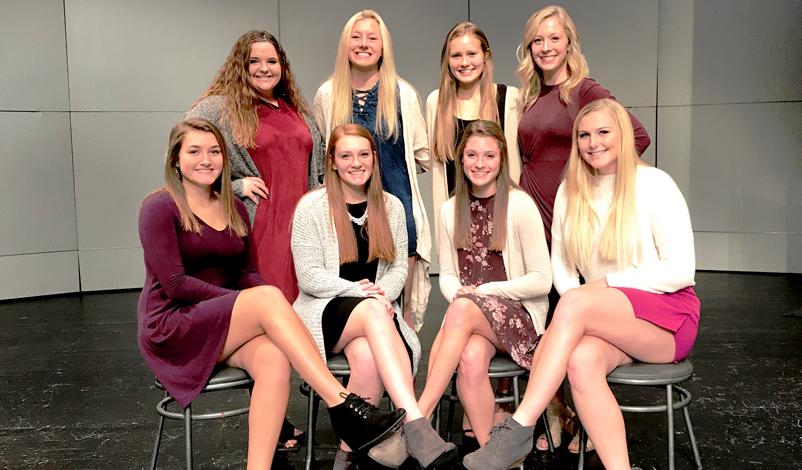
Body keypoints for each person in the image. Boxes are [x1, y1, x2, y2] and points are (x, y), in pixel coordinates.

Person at [137, 118, 405, 469]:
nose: (207, 159)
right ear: (175, 159)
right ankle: (341, 404)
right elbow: (175, 284)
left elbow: (247, 273)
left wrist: (259, 303)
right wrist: (247, 303)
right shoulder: (160, 207)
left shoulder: (232, 206)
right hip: (173, 324)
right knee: (265, 298)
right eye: (195, 151)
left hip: (220, 322)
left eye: (215, 151)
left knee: (274, 360)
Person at [462, 99, 700, 470]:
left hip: (666, 318)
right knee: (580, 360)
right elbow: (562, 264)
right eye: (584, 135)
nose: (593, 142)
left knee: (572, 303)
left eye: (603, 132)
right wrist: (585, 296)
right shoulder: (572, 190)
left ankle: (518, 427)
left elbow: (681, 271)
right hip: (604, 316)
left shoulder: (655, 184)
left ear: (623, 134)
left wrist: (603, 286)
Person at [515, 5, 652, 452]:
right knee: (542, 326)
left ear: (569, 43)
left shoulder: (586, 90)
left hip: (568, 221)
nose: (546, 47)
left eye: (554, 38)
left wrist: (596, 186)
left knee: (570, 324)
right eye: (538, 40)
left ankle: (592, 427)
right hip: (530, 220)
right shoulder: (532, 94)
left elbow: (634, 136)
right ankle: (557, 418)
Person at [290, 124, 456, 469]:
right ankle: (415, 423)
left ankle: (347, 453)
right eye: (346, 155)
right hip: (324, 311)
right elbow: (308, 275)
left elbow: (398, 269)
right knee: (373, 312)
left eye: (363, 154)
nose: (356, 162)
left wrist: (382, 294)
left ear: (374, 159)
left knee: (367, 358)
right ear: (332, 162)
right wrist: (361, 292)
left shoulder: (391, 207)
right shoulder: (311, 207)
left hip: (373, 315)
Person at [417, 120, 551, 449]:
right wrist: (460, 294)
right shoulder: (450, 210)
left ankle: (419, 417)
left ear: (502, 160)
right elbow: (447, 274)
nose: (480, 163)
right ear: (460, 160)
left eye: (489, 156)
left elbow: (542, 280)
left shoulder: (520, 205)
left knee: (461, 309)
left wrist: (480, 294)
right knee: (471, 358)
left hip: (519, 317)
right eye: (472, 155)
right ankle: (489, 449)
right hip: (472, 320)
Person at [313, 10, 431, 330]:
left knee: (399, 313)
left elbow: (422, 154)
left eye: (372, 38)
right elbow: (323, 153)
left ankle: (400, 373)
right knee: (350, 301)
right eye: (356, 36)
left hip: (397, 213)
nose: (364, 44)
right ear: (345, 44)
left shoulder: (403, 94)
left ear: (383, 47)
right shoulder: (327, 94)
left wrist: (388, 173)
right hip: (345, 214)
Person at [187, 30, 324, 305]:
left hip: (302, 223)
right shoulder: (219, 108)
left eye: (272, 61)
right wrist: (235, 186)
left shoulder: (296, 109)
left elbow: (317, 169)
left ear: (282, 67)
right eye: (254, 61)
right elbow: (181, 159)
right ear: (241, 66)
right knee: (268, 305)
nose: (264, 68)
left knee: (306, 305)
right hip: (261, 224)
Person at [425, 21, 521, 248]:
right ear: (447, 61)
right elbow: (439, 174)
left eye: (471, 53)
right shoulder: (436, 102)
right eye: (456, 55)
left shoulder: (509, 99)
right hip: (457, 222)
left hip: (500, 220)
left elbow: (513, 167)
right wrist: (442, 231)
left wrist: (511, 220)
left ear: (485, 55)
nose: (464, 62)